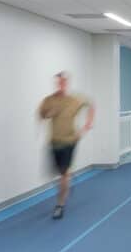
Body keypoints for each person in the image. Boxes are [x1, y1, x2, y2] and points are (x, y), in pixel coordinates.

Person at [37, 72, 93, 220]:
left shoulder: (75, 99)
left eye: (63, 82)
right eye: (58, 82)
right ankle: (66, 180)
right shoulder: (48, 100)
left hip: (69, 141)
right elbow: (41, 115)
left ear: (67, 83)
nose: (61, 85)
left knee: (63, 174)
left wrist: (87, 125)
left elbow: (91, 104)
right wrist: (49, 113)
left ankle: (60, 205)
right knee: (56, 174)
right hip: (54, 142)